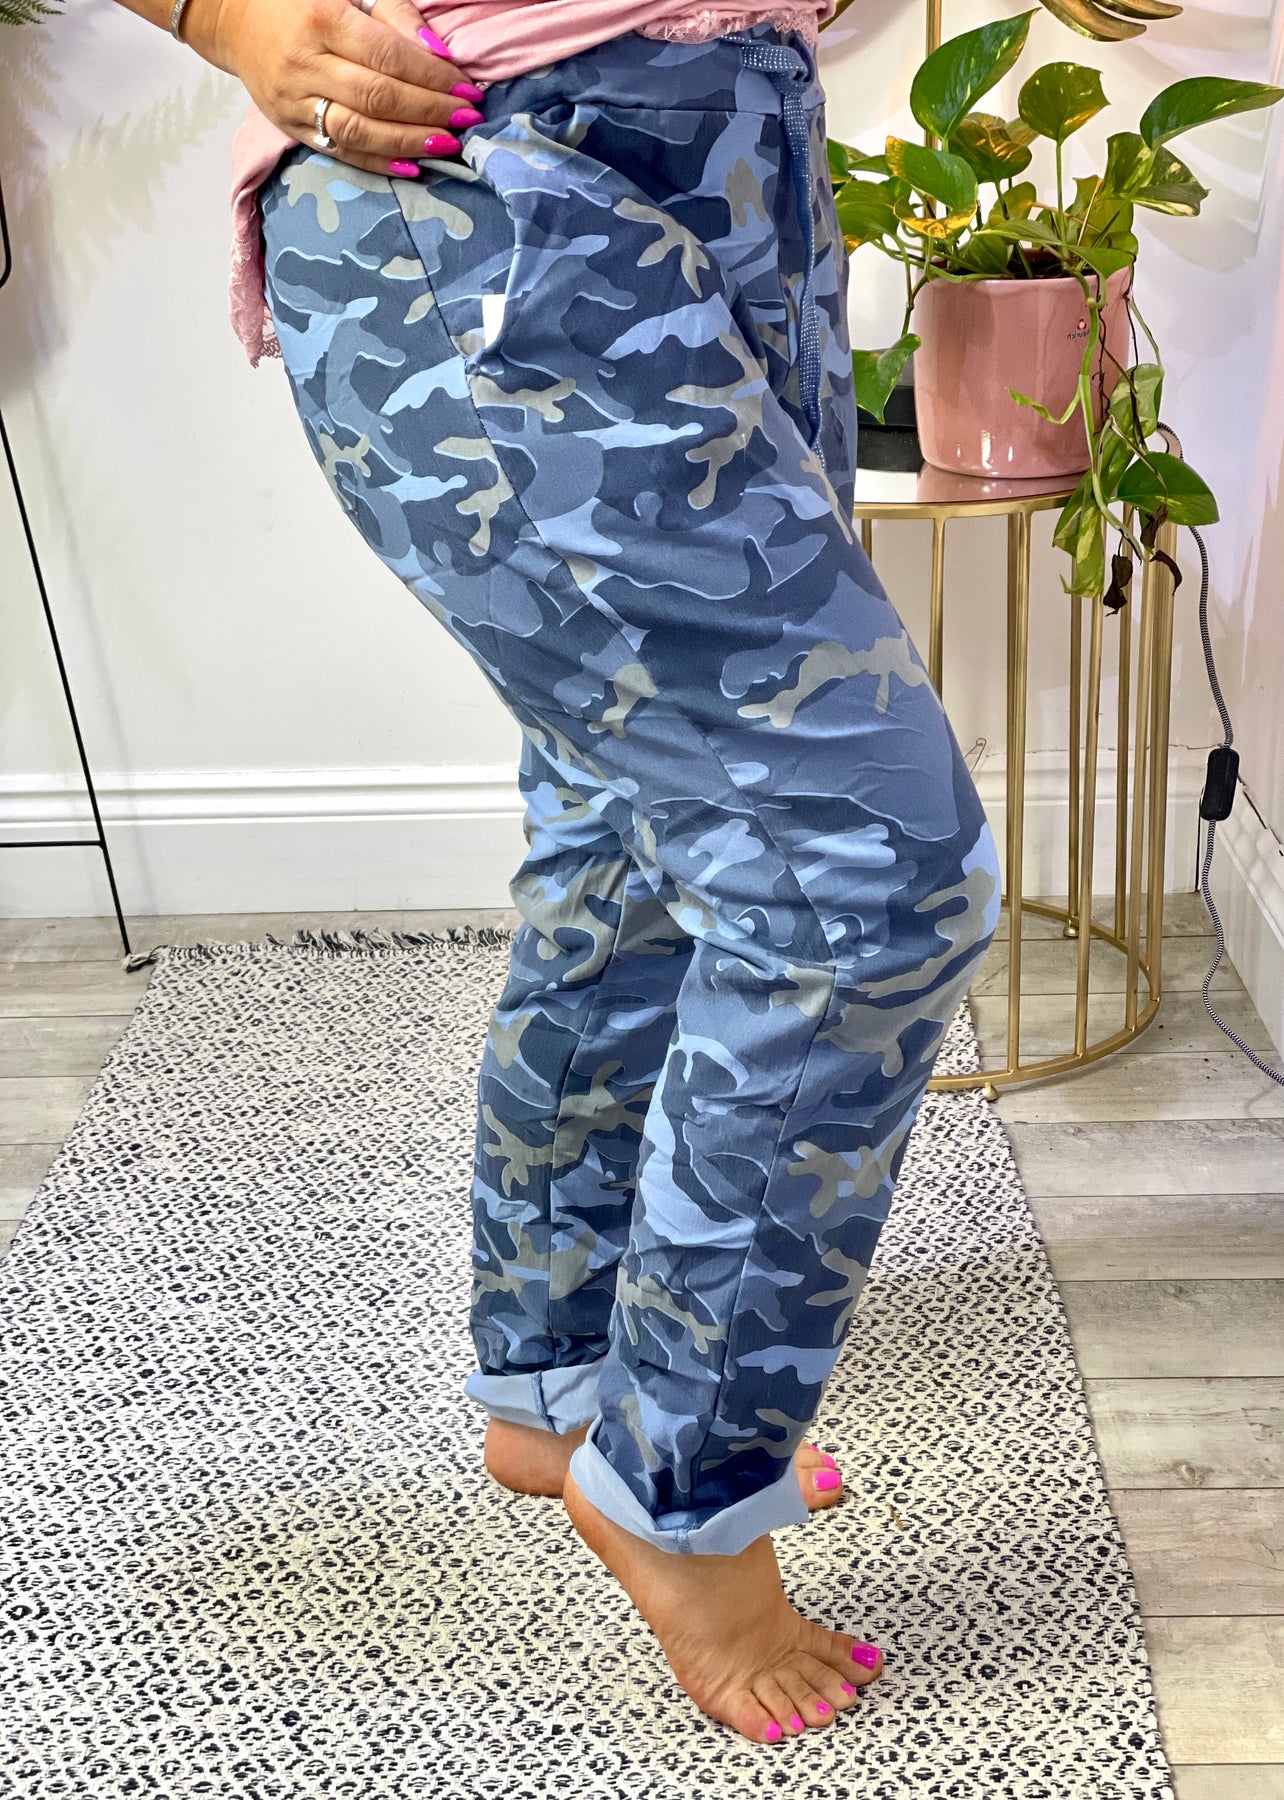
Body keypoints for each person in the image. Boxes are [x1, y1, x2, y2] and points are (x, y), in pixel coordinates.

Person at [111, 0, 1002, 1746]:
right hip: (492, 170)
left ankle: (557, 1382)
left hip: (734, 141)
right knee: (861, 882)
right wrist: (216, 12)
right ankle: (675, 1483)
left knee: (632, 824)